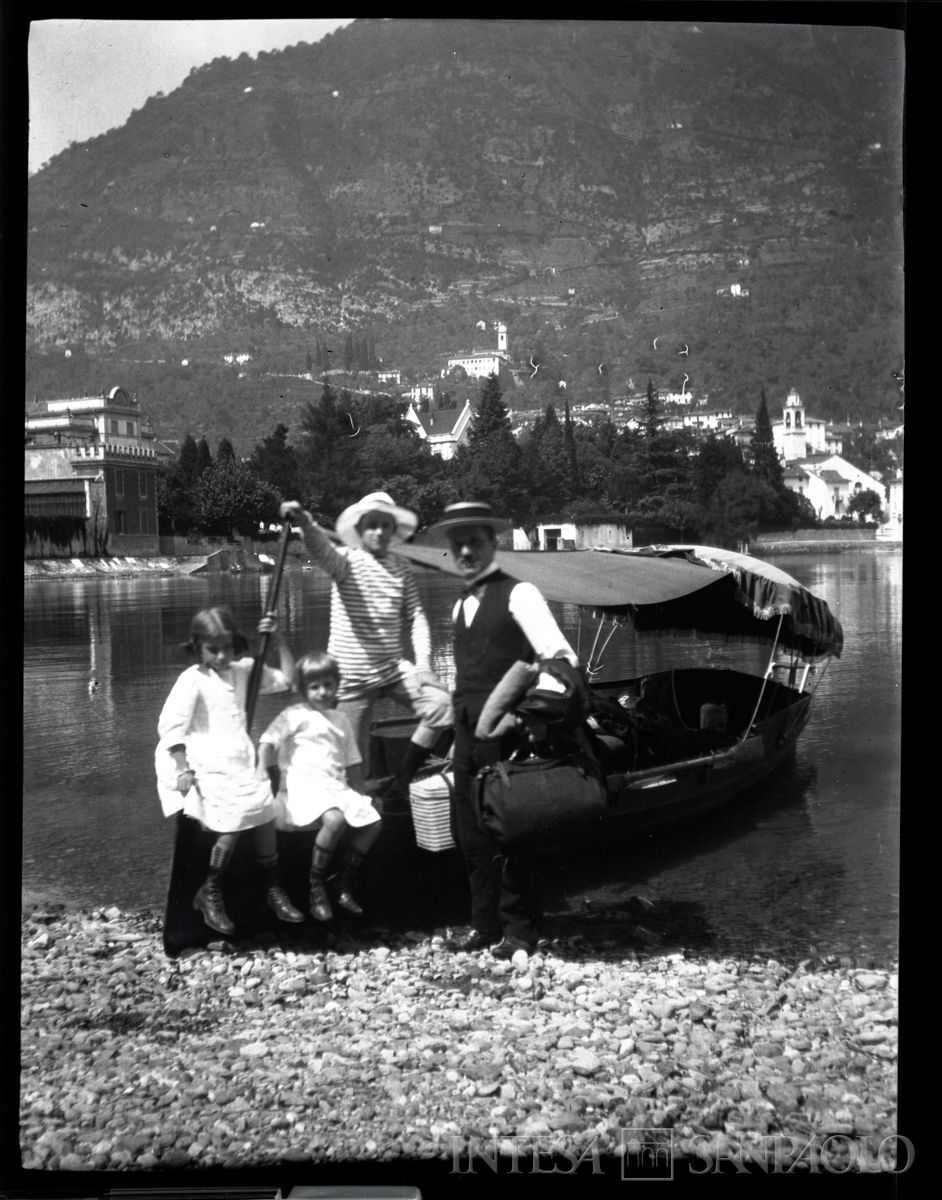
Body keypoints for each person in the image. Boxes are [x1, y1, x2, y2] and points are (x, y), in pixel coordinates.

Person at [423, 501, 581, 959]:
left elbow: (560, 660)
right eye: (459, 544)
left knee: (511, 830)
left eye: (475, 541)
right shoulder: (458, 606)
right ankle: (483, 926)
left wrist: (526, 716)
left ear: (495, 543)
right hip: (468, 734)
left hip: (507, 733)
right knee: (472, 832)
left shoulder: (520, 594)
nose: (467, 550)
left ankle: (521, 931)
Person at [279, 493, 452, 802]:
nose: (380, 532)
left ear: (393, 529)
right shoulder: (345, 562)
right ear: (360, 530)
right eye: (372, 526)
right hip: (351, 679)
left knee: (443, 707)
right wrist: (305, 522)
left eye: (386, 525)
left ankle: (403, 780)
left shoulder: (401, 567)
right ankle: (360, 818)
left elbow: (416, 617)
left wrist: (424, 666)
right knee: (354, 770)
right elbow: (320, 549)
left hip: (393, 669)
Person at [155, 606, 305, 936]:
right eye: (213, 649)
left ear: (235, 643)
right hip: (202, 759)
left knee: (266, 811)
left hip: (237, 756)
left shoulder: (245, 670)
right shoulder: (192, 680)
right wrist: (183, 768)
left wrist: (278, 638)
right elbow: (172, 728)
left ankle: (272, 889)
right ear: (197, 648)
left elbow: (290, 681)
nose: (222, 656)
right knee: (233, 816)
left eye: (226, 647)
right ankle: (209, 891)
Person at [257, 650, 382, 921]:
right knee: (335, 820)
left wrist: (361, 794)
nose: (323, 692)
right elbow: (267, 741)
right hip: (301, 788)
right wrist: (260, 770)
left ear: (337, 684)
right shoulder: (293, 715)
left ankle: (342, 881)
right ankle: (316, 886)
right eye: (315, 687)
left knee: (373, 820)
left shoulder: (342, 720)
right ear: (303, 690)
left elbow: (353, 761)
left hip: (334, 786)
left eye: (328, 685)